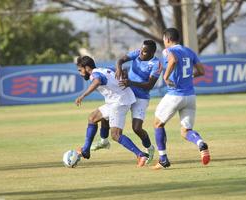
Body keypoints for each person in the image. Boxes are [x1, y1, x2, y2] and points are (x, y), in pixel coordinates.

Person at [91, 40, 162, 164]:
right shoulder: (138, 53)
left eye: (145, 52)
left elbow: (149, 85)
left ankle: (149, 148)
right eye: (141, 50)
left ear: (152, 53)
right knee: (105, 115)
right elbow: (120, 60)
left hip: (141, 98)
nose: (141, 54)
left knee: (137, 128)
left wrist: (131, 82)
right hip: (126, 94)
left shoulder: (156, 64)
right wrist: (119, 68)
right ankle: (104, 140)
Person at [74, 56, 149, 167]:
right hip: (116, 100)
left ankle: (140, 154)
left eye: (80, 70)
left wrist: (83, 95)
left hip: (119, 103)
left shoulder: (95, 75)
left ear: (87, 67)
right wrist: (123, 76)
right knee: (93, 117)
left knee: (115, 135)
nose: (80, 73)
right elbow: (122, 71)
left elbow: (97, 81)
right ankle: (86, 150)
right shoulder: (104, 69)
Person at [153, 28, 210, 170]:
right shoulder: (189, 51)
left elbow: (172, 60)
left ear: (167, 39)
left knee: (157, 124)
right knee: (186, 131)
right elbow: (201, 71)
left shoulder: (168, 51)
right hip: (190, 96)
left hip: (175, 95)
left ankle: (163, 159)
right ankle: (200, 143)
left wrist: (165, 77)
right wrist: (190, 76)